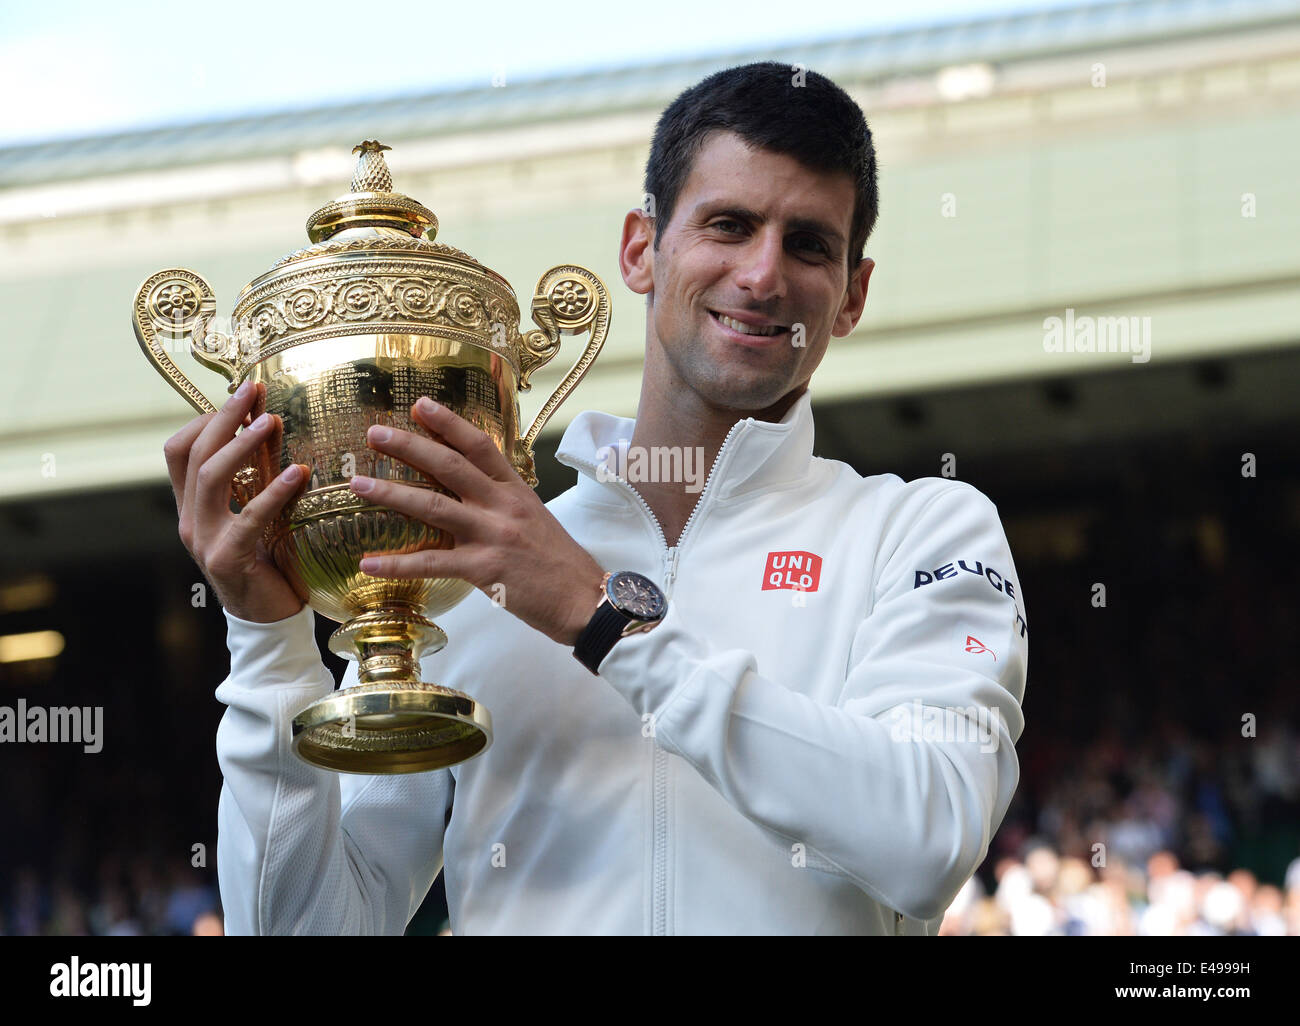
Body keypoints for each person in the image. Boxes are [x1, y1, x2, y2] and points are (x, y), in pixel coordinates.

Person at [166, 61, 1029, 935]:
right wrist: (270, 644)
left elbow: (929, 834)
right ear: (639, 249)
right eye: (727, 225)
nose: (763, 275)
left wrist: (601, 618)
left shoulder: (919, 530)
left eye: (809, 244)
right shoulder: (462, 569)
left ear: (853, 295)